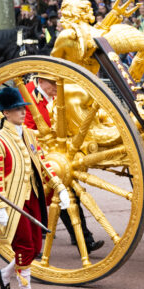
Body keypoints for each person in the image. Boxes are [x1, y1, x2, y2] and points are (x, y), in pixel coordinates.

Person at [0, 87, 72, 289]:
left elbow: (42, 164)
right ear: (6, 113)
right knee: (24, 247)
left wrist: (59, 187)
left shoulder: (30, 135)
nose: (23, 113)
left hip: (33, 197)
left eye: (22, 109)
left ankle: (3, 275)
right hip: (13, 202)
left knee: (34, 247)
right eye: (17, 110)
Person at [22, 73, 104, 253]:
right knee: (33, 203)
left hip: (58, 155)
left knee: (68, 196)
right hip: (36, 157)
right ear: (40, 81)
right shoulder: (26, 94)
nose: (55, 88)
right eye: (52, 84)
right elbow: (26, 129)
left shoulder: (59, 93)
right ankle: (29, 245)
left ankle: (83, 238)